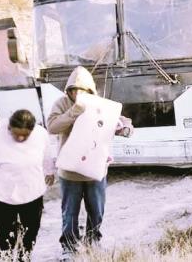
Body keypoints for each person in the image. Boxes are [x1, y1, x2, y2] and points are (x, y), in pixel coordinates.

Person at [47, 66, 132, 256]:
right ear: (68, 90)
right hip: (70, 172)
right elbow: (52, 127)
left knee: (96, 210)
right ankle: (69, 249)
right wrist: (73, 112)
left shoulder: (100, 103)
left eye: (82, 90)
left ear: (90, 90)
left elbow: (124, 122)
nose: (77, 94)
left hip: (96, 169)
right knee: (70, 213)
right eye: (73, 90)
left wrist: (123, 128)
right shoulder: (61, 103)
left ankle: (93, 243)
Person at [0, 109, 55, 261]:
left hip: (32, 194)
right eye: (16, 134)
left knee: (30, 235)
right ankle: (6, 259)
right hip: (3, 197)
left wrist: (49, 171)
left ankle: (25, 258)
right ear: (9, 128)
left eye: (26, 135)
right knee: (6, 237)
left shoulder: (41, 134)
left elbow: (47, 155)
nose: (21, 138)